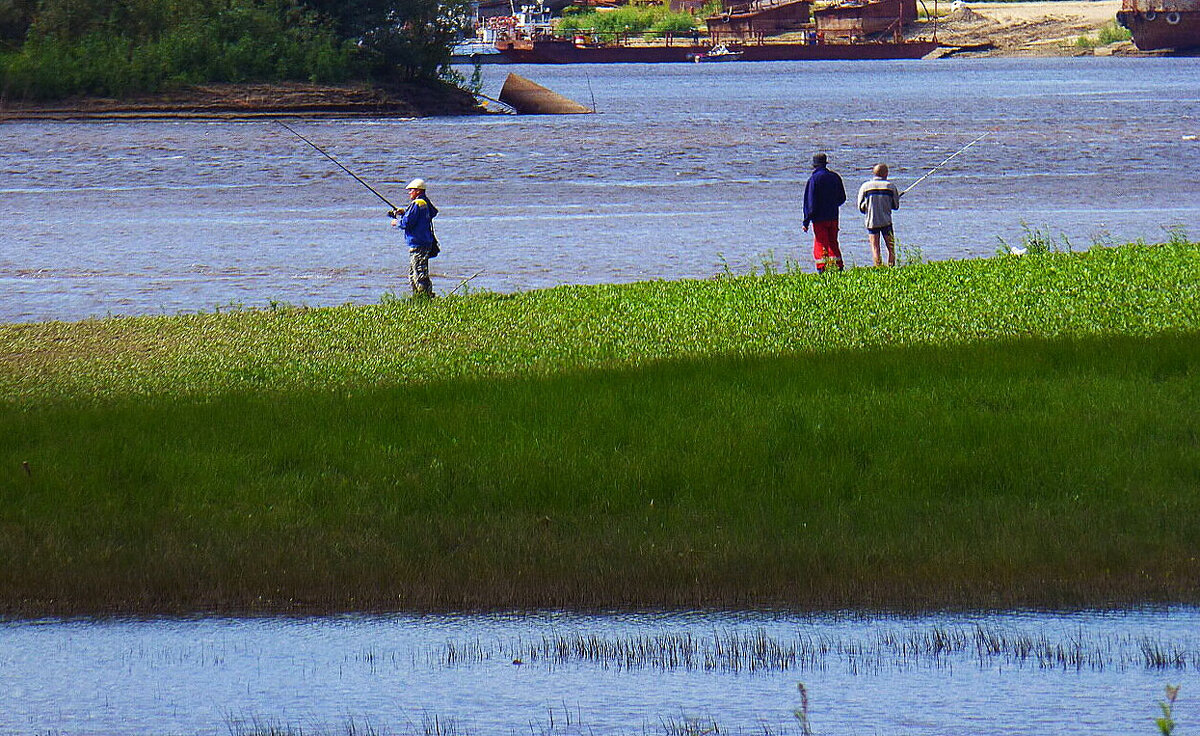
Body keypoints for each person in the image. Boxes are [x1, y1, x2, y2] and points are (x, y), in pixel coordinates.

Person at [390, 178, 439, 296]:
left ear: (417, 191)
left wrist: (396, 222)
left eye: (411, 190)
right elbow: (433, 212)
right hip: (425, 241)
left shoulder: (417, 204)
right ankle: (418, 296)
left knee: (419, 273)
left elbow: (406, 223)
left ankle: (425, 297)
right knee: (414, 272)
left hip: (418, 243)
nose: (409, 193)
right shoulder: (424, 202)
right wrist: (405, 212)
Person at [802, 152, 846, 273]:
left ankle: (823, 269)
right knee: (833, 242)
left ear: (814, 165)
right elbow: (842, 198)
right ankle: (839, 267)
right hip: (833, 216)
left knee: (821, 243)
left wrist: (806, 221)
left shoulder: (813, 179)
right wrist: (832, 205)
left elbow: (810, 202)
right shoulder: (835, 177)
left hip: (819, 218)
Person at [856, 163, 901, 267]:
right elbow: (895, 206)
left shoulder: (865, 186)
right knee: (891, 248)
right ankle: (891, 267)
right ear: (885, 173)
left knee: (875, 247)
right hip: (886, 221)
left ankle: (878, 267)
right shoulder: (890, 186)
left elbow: (860, 207)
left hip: (872, 222)